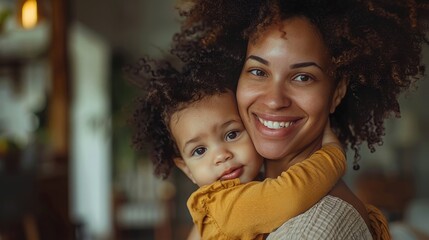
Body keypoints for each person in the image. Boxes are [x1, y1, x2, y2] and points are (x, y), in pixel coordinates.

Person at [169, 0, 429, 239]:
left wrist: (333, 157)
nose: (274, 100)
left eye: (303, 77)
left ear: (337, 91)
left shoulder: (317, 228)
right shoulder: (243, 195)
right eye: (258, 71)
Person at [128, 56, 348, 239]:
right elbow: (293, 195)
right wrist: (333, 154)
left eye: (232, 134)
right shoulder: (221, 205)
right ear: (186, 169)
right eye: (199, 151)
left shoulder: (257, 187)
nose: (221, 155)